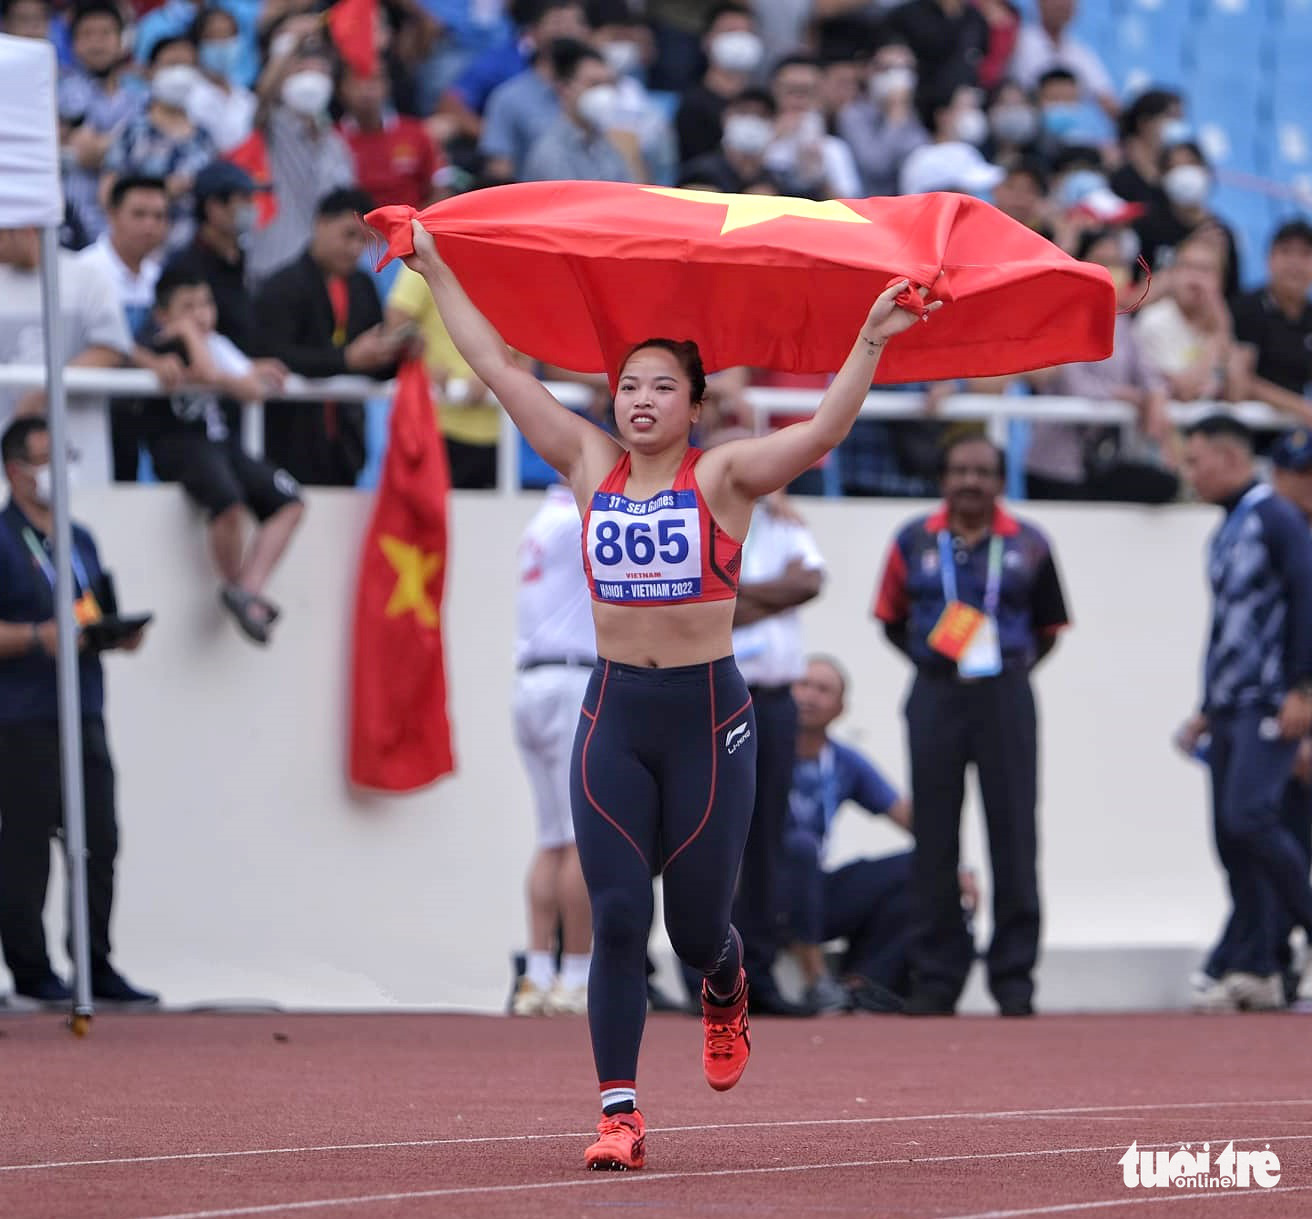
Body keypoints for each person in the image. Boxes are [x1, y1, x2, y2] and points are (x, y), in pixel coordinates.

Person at [400, 214, 939, 1170]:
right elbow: (496, 368)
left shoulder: (725, 478)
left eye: (662, 386)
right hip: (613, 714)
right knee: (615, 912)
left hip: (709, 720)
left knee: (695, 926)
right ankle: (619, 1113)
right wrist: (434, 264)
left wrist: (867, 340)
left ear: (693, 404)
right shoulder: (585, 463)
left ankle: (725, 981)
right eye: (628, 385)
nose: (640, 399)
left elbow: (824, 428)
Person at [873, 434, 1069, 1017]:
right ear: (942, 478)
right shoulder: (912, 539)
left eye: (982, 472)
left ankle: (1014, 980)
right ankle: (936, 977)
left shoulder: (1029, 543)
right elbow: (890, 618)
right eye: (959, 470)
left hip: (1005, 695)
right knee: (934, 835)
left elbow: (1050, 627)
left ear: (1000, 481)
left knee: (1013, 832)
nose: (970, 482)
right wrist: (937, 663)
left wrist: (1004, 668)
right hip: (935, 693)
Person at [0, 417, 157, 1008]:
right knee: (25, 845)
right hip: (22, 717)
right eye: (47, 458)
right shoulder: (2, 538)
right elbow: (35, 629)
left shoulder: (79, 538)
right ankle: (32, 971)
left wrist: (115, 635)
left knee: (98, 839)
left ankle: (95, 964)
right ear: (16, 471)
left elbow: (92, 614)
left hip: (83, 709)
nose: (60, 468)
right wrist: (41, 636)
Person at [1176, 416, 1312, 1015]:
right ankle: (1261, 962)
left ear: (1231, 458)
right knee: (1232, 837)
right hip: (1231, 704)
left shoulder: (1276, 516)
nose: (1190, 473)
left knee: (1251, 817)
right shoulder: (1229, 526)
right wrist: (1206, 705)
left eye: (1197, 460)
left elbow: (1308, 595)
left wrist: (1302, 688)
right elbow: (1227, 624)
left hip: (1267, 698)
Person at [140, 263, 304, 645]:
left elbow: (249, 387)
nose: (200, 314)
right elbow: (205, 368)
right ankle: (236, 588)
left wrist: (244, 370)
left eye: (205, 304)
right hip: (183, 446)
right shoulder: (165, 343)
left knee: (289, 502)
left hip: (222, 445)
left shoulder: (216, 342)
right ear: (163, 315)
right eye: (188, 307)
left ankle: (246, 588)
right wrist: (186, 336)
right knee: (228, 503)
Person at [729, 495, 825, 1017]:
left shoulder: (784, 523)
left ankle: (757, 973)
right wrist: (776, 594)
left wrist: (737, 593)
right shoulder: (700, 514)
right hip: (716, 697)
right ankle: (706, 970)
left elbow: (809, 583)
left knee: (766, 839)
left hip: (772, 702)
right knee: (710, 837)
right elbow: (697, 600)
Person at [783, 655, 917, 1015]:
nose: (809, 696)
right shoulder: (750, 748)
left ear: (840, 709)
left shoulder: (844, 761)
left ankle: (861, 982)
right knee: (798, 848)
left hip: (812, 892)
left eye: (823, 690)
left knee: (920, 868)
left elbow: (908, 817)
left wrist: (955, 867)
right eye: (802, 685)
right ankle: (815, 981)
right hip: (753, 898)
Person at [511, 482, 595, 1016]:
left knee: (550, 839)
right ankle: (576, 977)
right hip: (570, 680)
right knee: (580, 839)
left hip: (529, 681)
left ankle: (538, 975)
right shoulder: (578, 520)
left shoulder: (541, 521)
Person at [253, 189, 404, 487]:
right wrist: (347, 359)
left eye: (363, 240)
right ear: (320, 224)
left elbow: (374, 366)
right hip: (287, 441)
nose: (355, 249)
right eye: (348, 235)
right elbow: (274, 356)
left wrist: (396, 352)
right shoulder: (279, 287)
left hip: (346, 449)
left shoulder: (363, 287)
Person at [0, 226, 134, 485]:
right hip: (8, 459)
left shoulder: (86, 278)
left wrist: (45, 390)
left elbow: (111, 350)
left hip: (79, 453)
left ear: (27, 228)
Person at [102, 36, 218, 252]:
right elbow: (107, 193)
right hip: (143, 251)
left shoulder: (204, 137)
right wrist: (163, 191)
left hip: (192, 253)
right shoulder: (133, 132)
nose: (180, 74)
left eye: (188, 65)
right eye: (172, 65)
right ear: (151, 71)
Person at [1231, 220, 1312, 427]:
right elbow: (1242, 381)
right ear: (1268, 259)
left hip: (1296, 431)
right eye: (1286, 252)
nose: (1295, 263)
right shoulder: (1247, 308)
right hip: (1248, 427)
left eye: (1305, 254)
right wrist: (1301, 407)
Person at [521, 42, 633, 184]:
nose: (605, 94)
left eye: (609, 84)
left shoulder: (608, 142)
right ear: (564, 89)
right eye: (594, 84)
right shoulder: (550, 151)